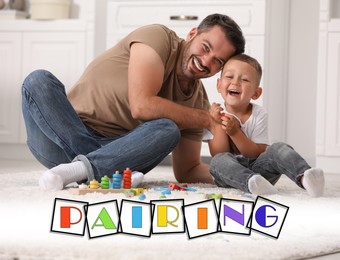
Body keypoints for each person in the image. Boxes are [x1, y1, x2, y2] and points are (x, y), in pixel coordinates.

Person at [21, 14, 246, 191]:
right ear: (192, 33)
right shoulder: (159, 37)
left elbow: (188, 170)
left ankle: (79, 171)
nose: (206, 61)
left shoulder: (197, 100)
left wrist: (238, 173)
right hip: (60, 138)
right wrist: (205, 118)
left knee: (168, 129)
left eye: (217, 61)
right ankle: (102, 171)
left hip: (121, 150)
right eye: (205, 47)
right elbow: (142, 106)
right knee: (38, 81)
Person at [207, 54, 325, 197]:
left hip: (261, 172)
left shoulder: (259, 114)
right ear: (219, 85)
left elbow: (256, 153)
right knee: (217, 162)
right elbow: (219, 154)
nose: (236, 82)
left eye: (244, 79)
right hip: (231, 176)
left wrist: (235, 133)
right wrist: (216, 123)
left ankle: (306, 177)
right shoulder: (214, 113)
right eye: (229, 76)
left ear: (256, 93)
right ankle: (251, 183)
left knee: (278, 147)